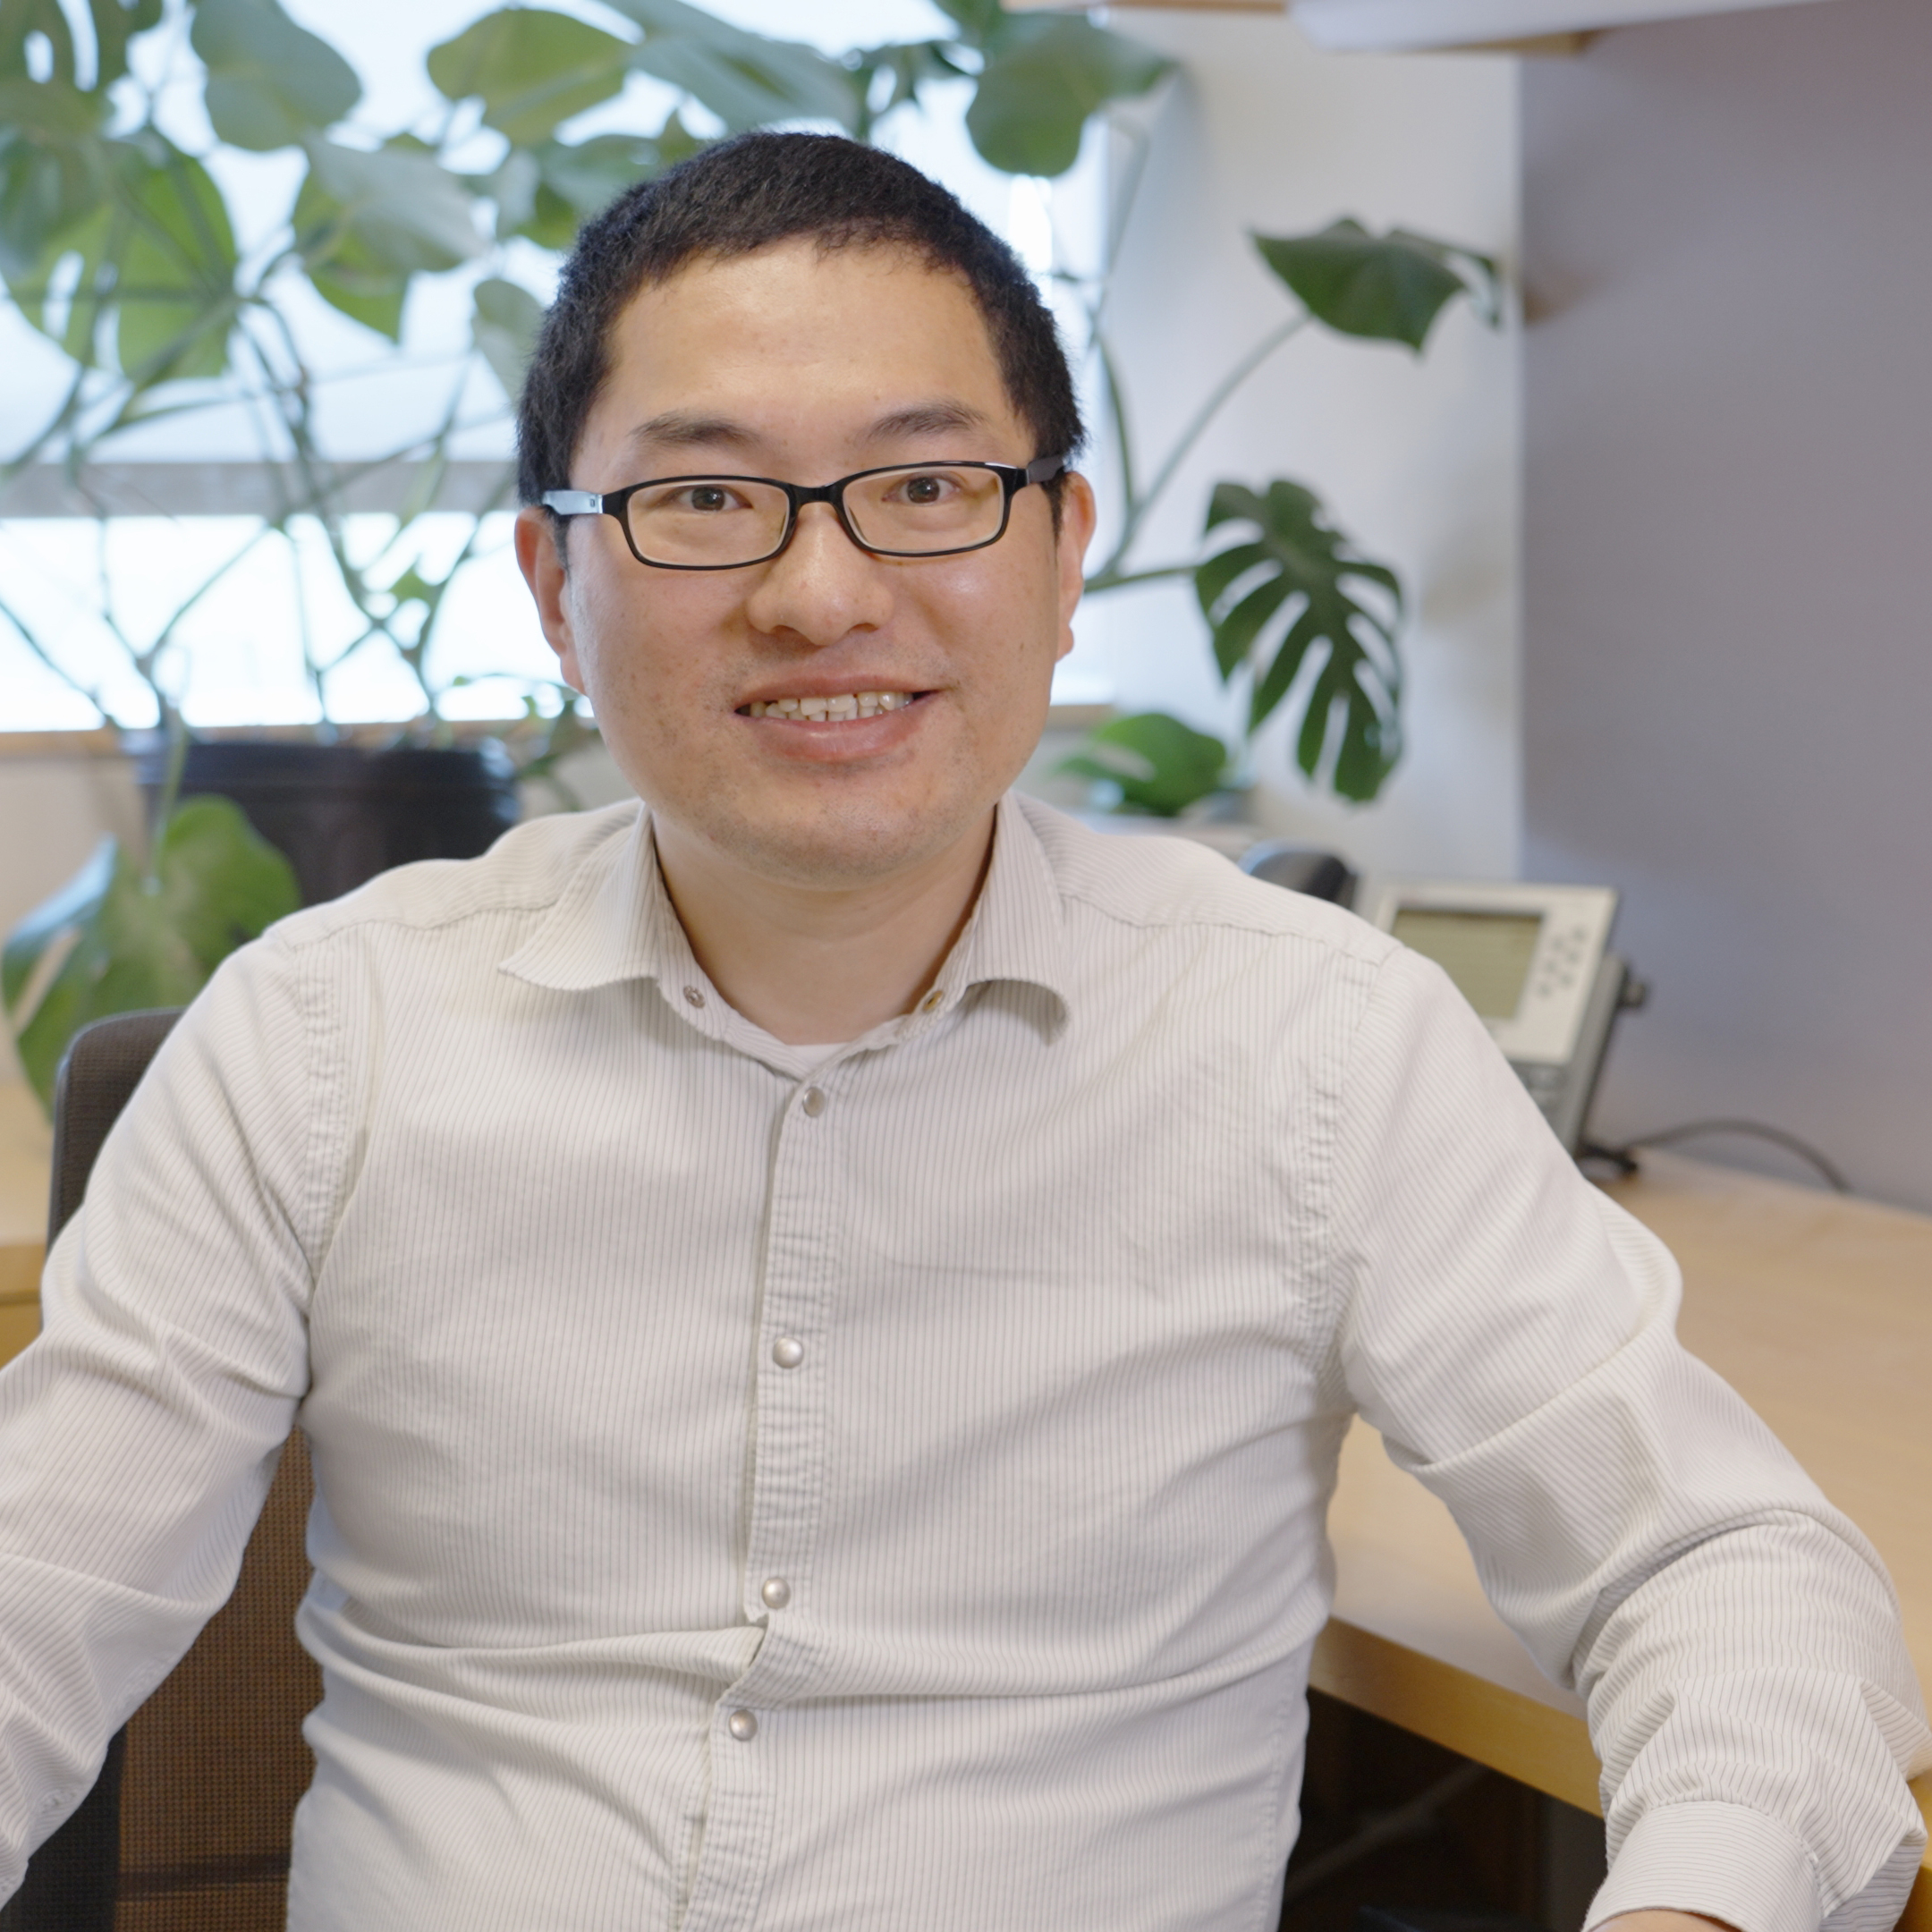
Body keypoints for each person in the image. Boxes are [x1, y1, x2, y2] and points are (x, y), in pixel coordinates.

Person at [1, 132, 1925, 1932]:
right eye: (703, 499)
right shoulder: (326, 1035)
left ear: (1063, 549)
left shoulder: (1317, 1044)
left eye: (927, 486)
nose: (822, 592)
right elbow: (34, 1599)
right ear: (552, 584)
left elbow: (1719, 1571)